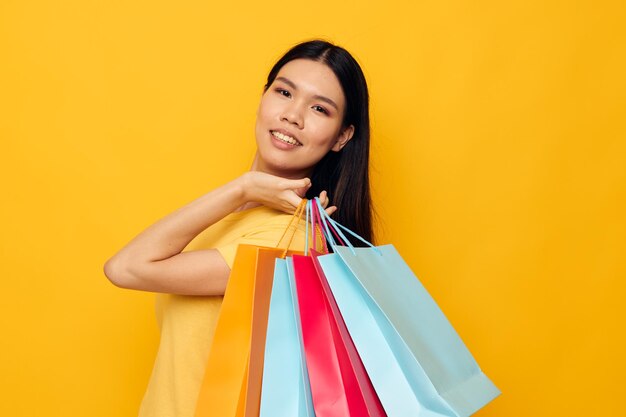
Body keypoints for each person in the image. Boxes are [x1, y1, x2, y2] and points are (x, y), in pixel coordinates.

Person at [103, 39, 374, 417]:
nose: (293, 115)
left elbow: (124, 268)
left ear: (342, 136)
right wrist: (243, 194)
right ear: (264, 97)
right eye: (283, 92)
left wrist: (243, 187)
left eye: (319, 109)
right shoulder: (240, 220)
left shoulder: (286, 241)